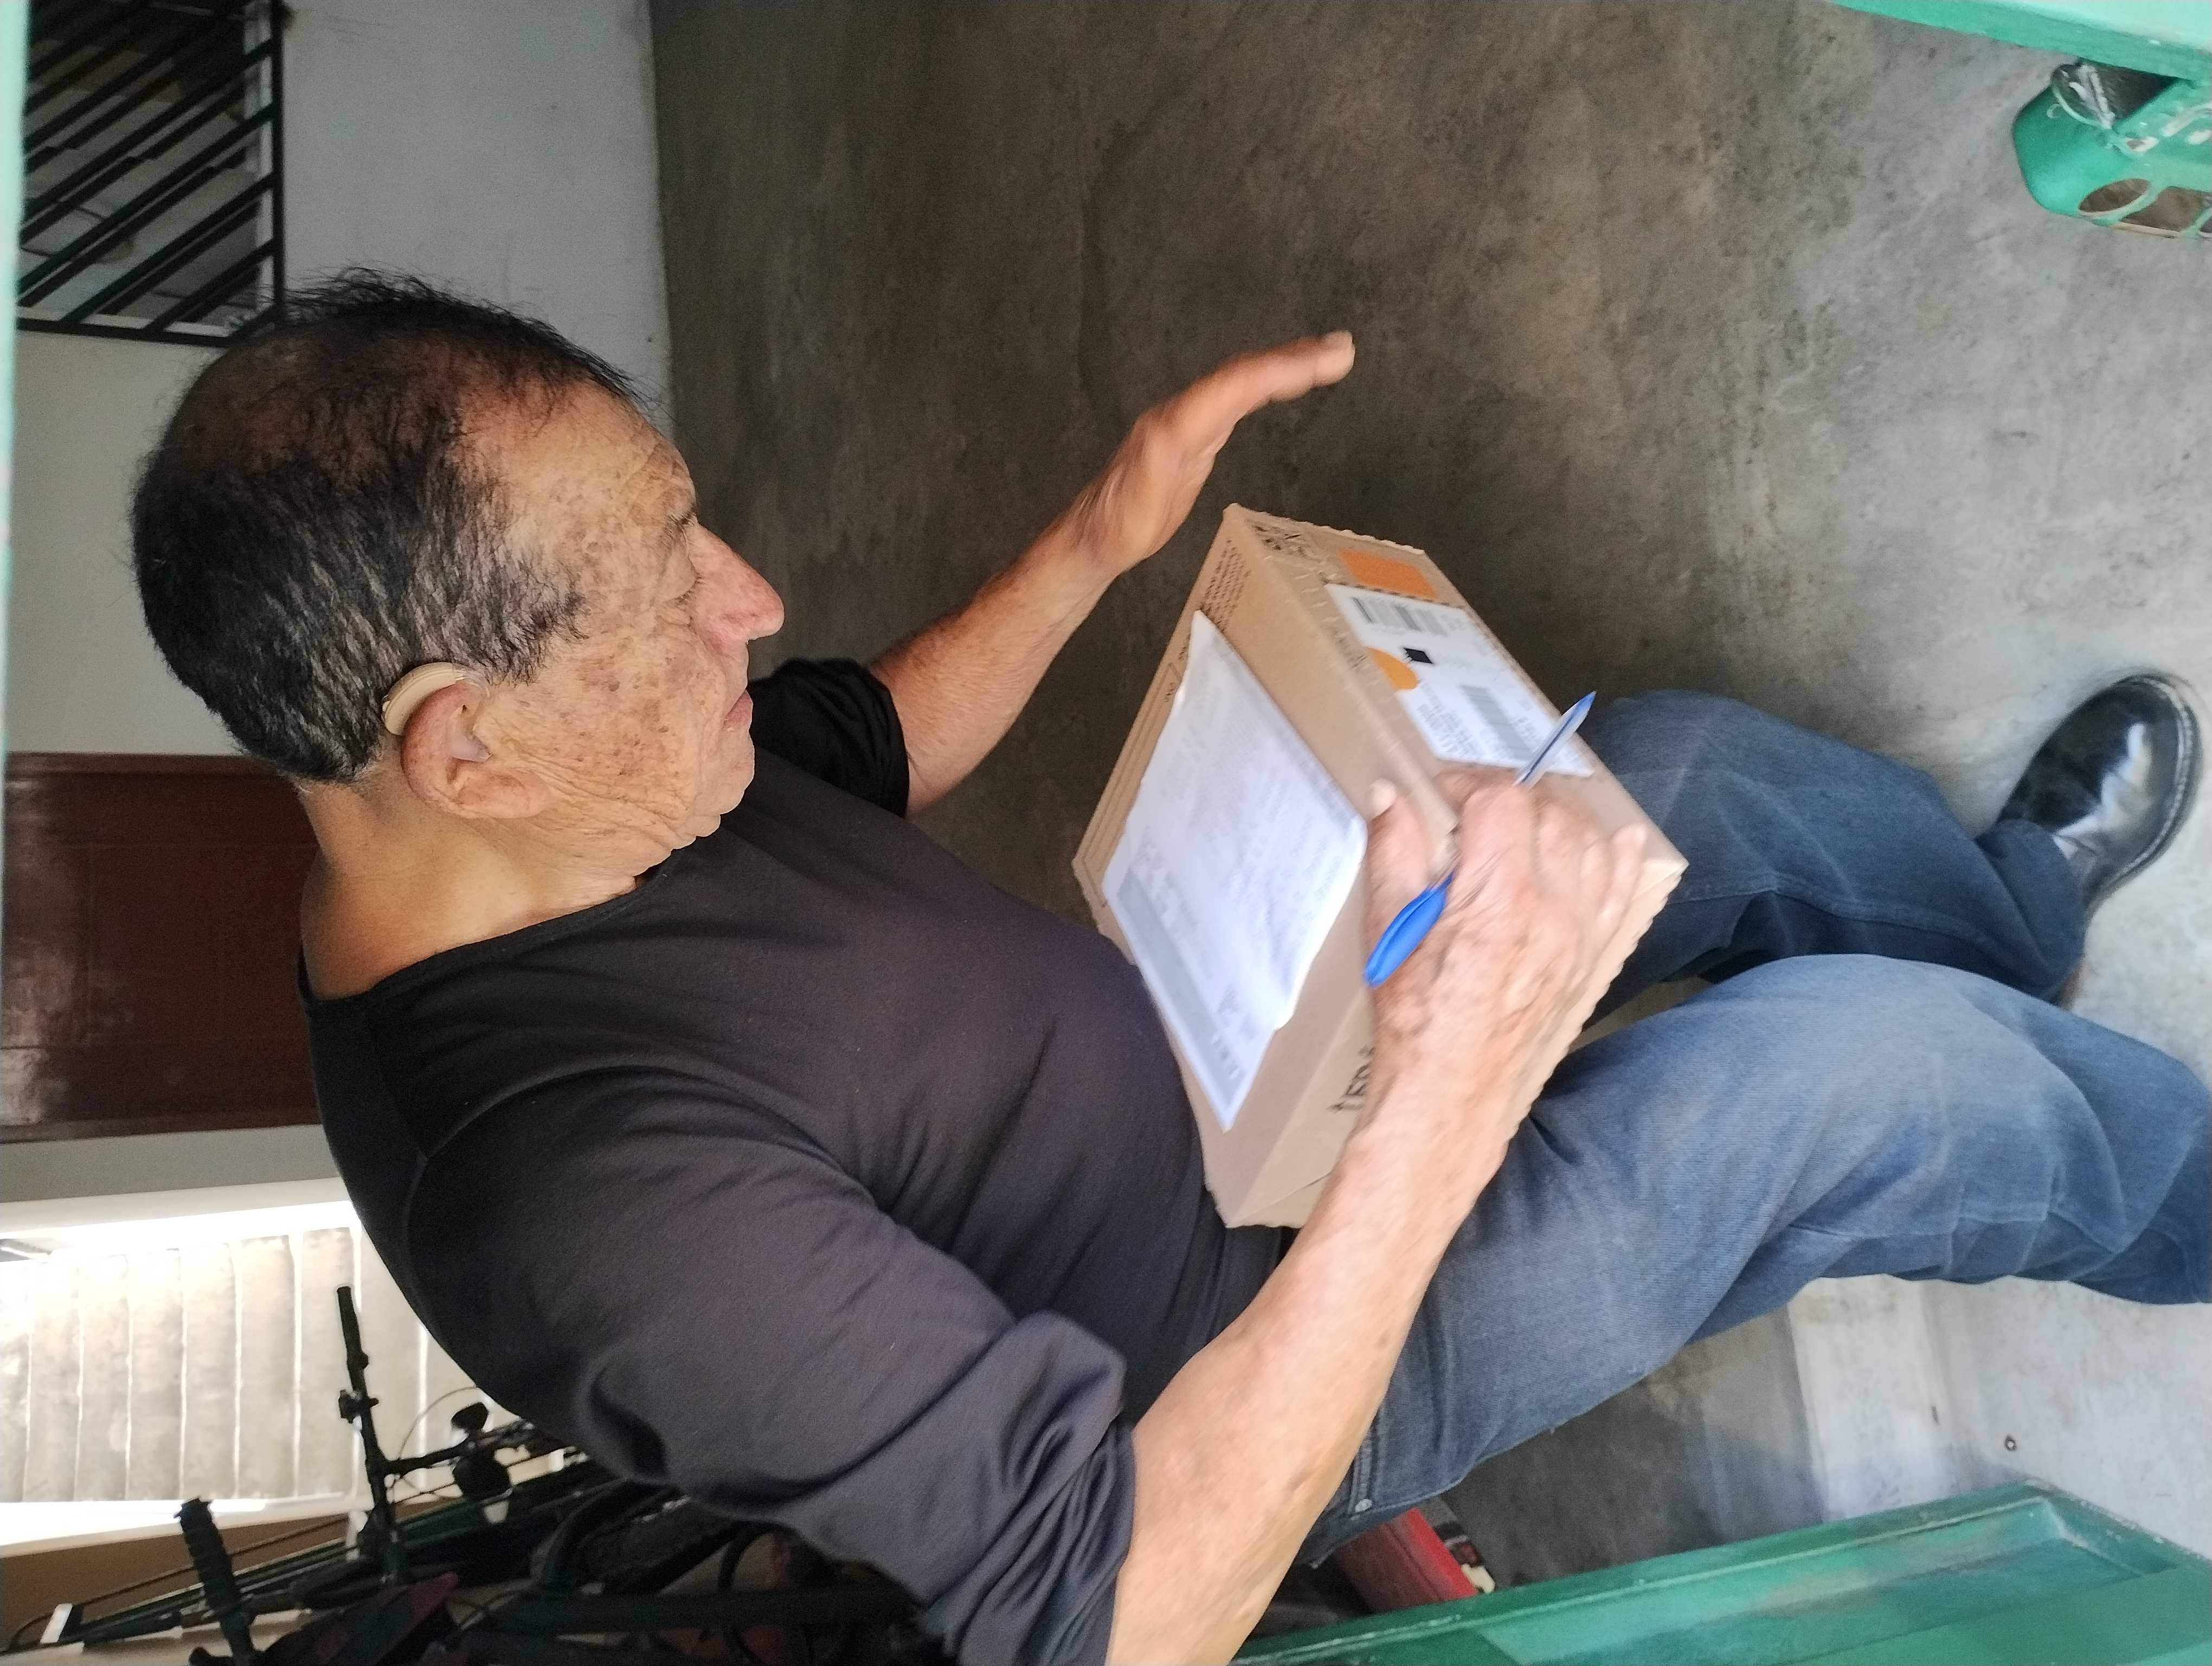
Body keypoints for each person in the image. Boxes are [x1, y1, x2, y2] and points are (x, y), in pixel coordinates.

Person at [131, 274, 2205, 1666]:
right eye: (668, 593)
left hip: (1235, 1058)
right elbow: (1128, 1610)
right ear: (463, 748)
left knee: (1656, 776)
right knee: (1861, 1081)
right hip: (1284, 1350)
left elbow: (869, 737)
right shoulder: (587, 1213)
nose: (745, 601)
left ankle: (2004, 920)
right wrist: (1455, 1086)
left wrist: (1095, 542)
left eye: (691, 528)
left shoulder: (591, 781)